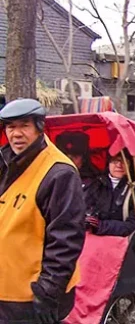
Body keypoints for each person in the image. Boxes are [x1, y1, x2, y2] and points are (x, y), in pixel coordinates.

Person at [0, 99, 85, 323]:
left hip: (29, 296)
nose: (16, 133)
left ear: (39, 127)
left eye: (24, 125)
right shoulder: (5, 162)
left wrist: (47, 292)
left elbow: (66, 240)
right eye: (10, 126)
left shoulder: (59, 173)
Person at [84, 152, 135, 236]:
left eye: (124, 161)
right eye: (114, 161)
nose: (119, 165)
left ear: (130, 165)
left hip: (123, 240)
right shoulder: (96, 184)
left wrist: (101, 226)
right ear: (108, 164)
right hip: (92, 237)